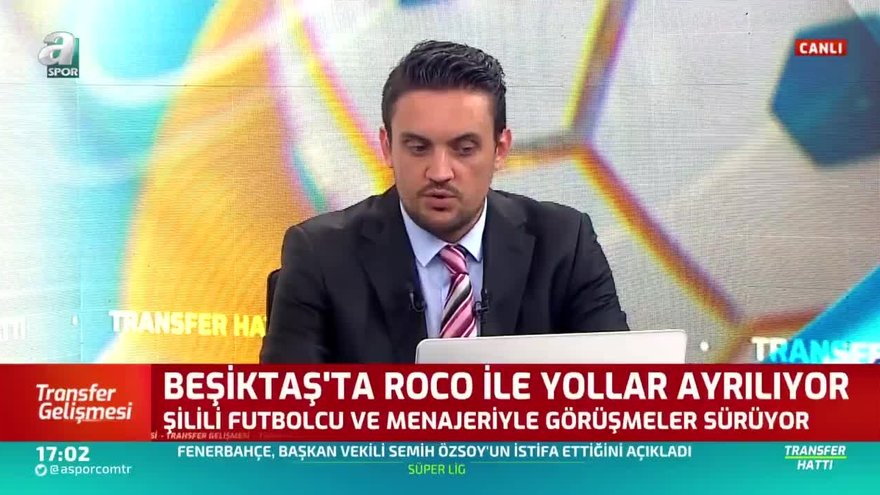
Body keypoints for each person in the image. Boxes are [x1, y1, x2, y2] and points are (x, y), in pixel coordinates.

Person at [260, 40, 628, 363]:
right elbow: (291, 410)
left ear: (500, 149)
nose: (439, 172)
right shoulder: (320, 255)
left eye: (464, 149)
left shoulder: (564, 244)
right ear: (387, 147)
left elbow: (621, 393)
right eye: (418, 148)